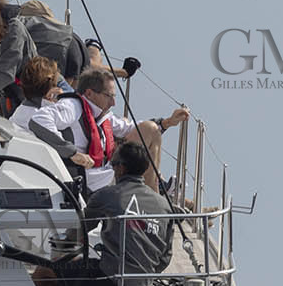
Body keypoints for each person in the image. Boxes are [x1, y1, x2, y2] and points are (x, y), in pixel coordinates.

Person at [17, 141, 175, 286]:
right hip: (142, 284)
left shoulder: (107, 195)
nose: (113, 168)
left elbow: (78, 232)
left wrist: (55, 248)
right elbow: (165, 257)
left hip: (112, 279)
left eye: (113, 164)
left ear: (121, 169)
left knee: (45, 270)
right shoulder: (163, 205)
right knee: (58, 274)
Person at [28, 67, 189, 194]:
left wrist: (167, 122)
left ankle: (152, 197)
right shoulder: (72, 106)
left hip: (107, 173)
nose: (113, 103)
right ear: (89, 93)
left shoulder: (102, 114)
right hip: (88, 180)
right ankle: (152, 204)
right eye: (108, 96)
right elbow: (39, 120)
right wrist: (72, 153)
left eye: (114, 97)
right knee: (148, 134)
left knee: (150, 129)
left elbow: (132, 129)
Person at [17, 0, 140, 83]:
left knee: (90, 66)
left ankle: (94, 48)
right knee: (89, 65)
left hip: (71, 56)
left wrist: (124, 72)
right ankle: (93, 47)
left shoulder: (37, 35)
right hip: (72, 52)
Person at [9, 56, 62, 133]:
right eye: (55, 85)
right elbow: (62, 144)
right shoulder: (43, 117)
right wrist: (62, 104)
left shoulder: (20, 111)